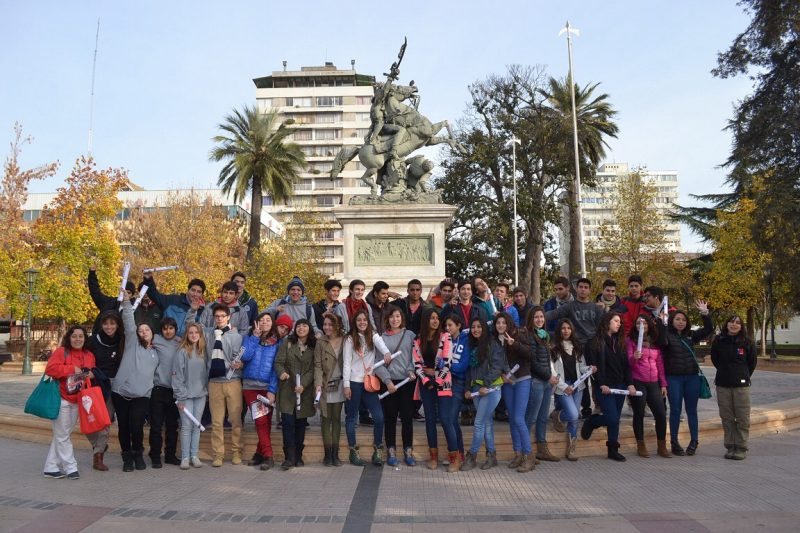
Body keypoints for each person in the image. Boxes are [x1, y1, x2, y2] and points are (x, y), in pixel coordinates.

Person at [187, 301, 243, 467]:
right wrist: (193, 310)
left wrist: (239, 365)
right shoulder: (208, 333)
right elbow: (190, 326)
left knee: (235, 420)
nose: (219, 319)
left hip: (232, 381)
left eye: (222, 316)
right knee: (217, 421)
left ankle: (236, 452)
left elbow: (239, 358)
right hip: (214, 383)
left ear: (228, 317)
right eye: (216, 316)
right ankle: (218, 454)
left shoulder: (236, 336)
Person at [657, 300, 714, 456]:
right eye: (677, 319)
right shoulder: (667, 335)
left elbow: (709, 329)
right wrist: (661, 323)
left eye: (683, 320)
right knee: (675, 410)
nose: (681, 322)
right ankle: (674, 442)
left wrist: (705, 313)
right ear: (672, 321)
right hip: (674, 378)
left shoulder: (691, 335)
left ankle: (694, 441)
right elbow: (661, 341)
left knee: (692, 411)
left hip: (691, 378)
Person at [581, 312, 637, 461]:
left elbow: (626, 366)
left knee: (615, 418)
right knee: (611, 418)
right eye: (616, 321)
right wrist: (601, 384)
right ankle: (592, 421)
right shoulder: (593, 343)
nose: (619, 324)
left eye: (620, 321)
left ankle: (612, 449)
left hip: (620, 385)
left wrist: (630, 384)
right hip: (604, 387)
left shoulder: (620, 342)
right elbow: (593, 367)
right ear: (607, 322)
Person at [42, 326, 97, 480]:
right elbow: (51, 369)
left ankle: (50, 467)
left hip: (79, 399)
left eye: (81, 336)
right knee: (62, 435)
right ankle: (70, 467)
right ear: (69, 337)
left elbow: (90, 372)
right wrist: (72, 369)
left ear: (85, 338)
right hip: (62, 398)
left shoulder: (89, 355)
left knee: (62, 434)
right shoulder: (61, 352)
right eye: (74, 336)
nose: (78, 339)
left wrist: (90, 374)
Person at [112, 297, 160, 472]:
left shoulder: (156, 352)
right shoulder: (133, 344)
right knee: (124, 426)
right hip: (121, 392)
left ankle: (138, 453)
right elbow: (129, 322)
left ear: (152, 332)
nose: (144, 332)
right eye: (141, 330)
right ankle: (126, 456)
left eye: (147, 329)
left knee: (136, 426)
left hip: (141, 395)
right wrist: (126, 303)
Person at [413, 307, 460, 471]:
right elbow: (417, 363)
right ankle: (433, 456)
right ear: (426, 320)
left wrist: (437, 379)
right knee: (430, 421)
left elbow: (447, 362)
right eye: (432, 318)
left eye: (437, 318)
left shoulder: (445, 337)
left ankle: (455, 457)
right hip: (426, 385)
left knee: (446, 420)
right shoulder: (418, 339)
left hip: (443, 384)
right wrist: (426, 380)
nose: (435, 321)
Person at [343, 308, 391, 466]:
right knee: (351, 418)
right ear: (355, 323)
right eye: (359, 320)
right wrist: (346, 385)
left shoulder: (374, 335)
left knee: (379, 417)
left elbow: (383, 347)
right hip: (354, 382)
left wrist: (386, 353)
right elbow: (346, 363)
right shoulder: (350, 339)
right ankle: (353, 450)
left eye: (364, 320)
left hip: (369, 382)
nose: (362, 322)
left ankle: (378, 449)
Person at [461, 317, 506, 471]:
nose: (476, 330)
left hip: (491, 390)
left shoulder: (493, 344)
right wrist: (467, 389)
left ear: (484, 328)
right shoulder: (471, 345)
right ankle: (492, 456)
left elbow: (497, 367)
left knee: (479, 423)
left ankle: (471, 456)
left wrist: (485, 384)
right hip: (476, 391)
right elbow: (468, 370)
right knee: (486, 423)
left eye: (479, 327)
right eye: (473, 327)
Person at [375, 306, 417, 467]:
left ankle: (408, 450)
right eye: (392, 317)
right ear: (387, 319)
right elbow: (378, 364)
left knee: (407, 418)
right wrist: (387, 381)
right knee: (390, 418)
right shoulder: (382, 339)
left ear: (402, 318)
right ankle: (391, 451)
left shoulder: (409, 335)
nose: (395, 320)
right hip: (389, 385)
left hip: (406, 383)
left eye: (398, 316)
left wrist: (411, 371)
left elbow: (414, 357)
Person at [711, 315, 756, 460]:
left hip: (741, 386)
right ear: (727, 324)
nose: (734, 325)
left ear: (741, 326)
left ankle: (741, 447)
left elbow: (751, 363)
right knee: (727, 417)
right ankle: (730, 446)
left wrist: (742, 375)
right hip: (723, 384)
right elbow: (715, 359)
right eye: (731, 321)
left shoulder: (747, 342)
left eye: (737, 323)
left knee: (742, 417)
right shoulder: (719, 340)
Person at [240, 311, 280, 470]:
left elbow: (276, 369)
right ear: (256, 323)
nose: (264, 322)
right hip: (251, 387)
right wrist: (255, 337)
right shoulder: (249, 338)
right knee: (261, 420)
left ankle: (259, 454)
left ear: (272, 323)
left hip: (267, 388)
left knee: (266, 422)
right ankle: (269, 456)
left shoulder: (278, 343)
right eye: (261, 320)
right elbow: (245, 357)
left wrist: (272, 390)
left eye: (268, 320)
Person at [496, 311, 536, 473]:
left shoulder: (519, 334)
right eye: (498, 323)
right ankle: (517, 453)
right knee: (512, 418)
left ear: (508, 323)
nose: (500, 325)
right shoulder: (494, 340)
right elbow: (494, 362)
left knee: (519, 418)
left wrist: (514, 344)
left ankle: (529, 456)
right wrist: (501, 376)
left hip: (522, 379)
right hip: (507, 382)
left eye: (503, 323)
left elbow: (530, 355)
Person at [274, 318, 316, 469]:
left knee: (300, 425)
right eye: (299, 326)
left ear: (309, 328)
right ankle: (289, 458)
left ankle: (298, 456)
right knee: (287, 423)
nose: (301, 328)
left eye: (304, 326)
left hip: (304, 392)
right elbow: (278, 362)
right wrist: (282, 373)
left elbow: (313, 369)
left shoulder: (313, 346)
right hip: (287, 390)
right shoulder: (288, 343)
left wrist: (303, 384)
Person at [85, 310, 124, 472]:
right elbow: (84, 358)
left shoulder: (123, 340)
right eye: (106, 323)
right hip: (97, 384)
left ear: (117, 325)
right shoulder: (93, 340)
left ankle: (98, 456)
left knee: (105, 421)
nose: (109, 327)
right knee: (90, 420)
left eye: (112, 323)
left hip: (118, 384)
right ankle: (98, 444)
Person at [626, 314, 669, 458]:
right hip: (638, 380)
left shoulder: (655, 342)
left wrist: (663, 384)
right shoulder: (630, 342)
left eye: (644, 324)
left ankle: (661, 445)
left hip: (654, 381)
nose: (641, 326)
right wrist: (634, 358)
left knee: (661, 414)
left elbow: (660, 364)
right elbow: (628, 364)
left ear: (649, 325)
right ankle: (641, 444)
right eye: (638, 324)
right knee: (639, 413)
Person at [552, 318, 595, 461]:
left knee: (574, 419)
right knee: (573, 415)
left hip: (578, 386)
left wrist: (589, 369)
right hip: (563, 387)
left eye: (568, 328)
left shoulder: (577, 347)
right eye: (563, 328)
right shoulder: (554, 348)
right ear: (559, 330)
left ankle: (571, 449)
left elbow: (581, 367)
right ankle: (557, 415)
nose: (566, 331)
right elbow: (552, 371)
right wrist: (564, 387)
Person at [525, 306, 561, 462]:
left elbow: (546, 361)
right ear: (531, 320)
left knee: (542, 418)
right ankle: (525, 451)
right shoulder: (530, 336)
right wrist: (548, 376)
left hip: (546, 382)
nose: (539, 320)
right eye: (536, 317)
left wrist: (551, 377)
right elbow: (532, 362)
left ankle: (542, 448)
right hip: (537, 382)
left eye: (541, 317)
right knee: (531, 418)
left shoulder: (544, 335)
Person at [172, 322, 209, 470]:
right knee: (186, 426)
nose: (193, 335)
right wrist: (180, 397)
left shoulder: (203, 350)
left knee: (196, 425)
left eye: (196, 332)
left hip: (200, 395)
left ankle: (194, 455)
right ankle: (185, 457)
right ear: (187, 334)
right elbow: (177, 376)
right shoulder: (181, 352)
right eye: (190, 332)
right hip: (185, 396)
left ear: (200, 334)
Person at [148, 317, 182, 468]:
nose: (168, 331)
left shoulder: (180, 342)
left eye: (171, 328)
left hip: (174, 390)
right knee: (156, 425)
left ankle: (170, 455)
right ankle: (155, 455)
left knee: (172, 425)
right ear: (161, 330)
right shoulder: (155, 340)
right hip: (158, 389)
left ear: (175, 329)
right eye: (165, 328)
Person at [315, 312, 346, 466]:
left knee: (336, 418)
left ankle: (336, 453)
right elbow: (318, 365)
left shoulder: (345, 340)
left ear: (337, 325)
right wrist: (318, 384)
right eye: (325, 324)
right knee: (326, 418)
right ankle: (328, 454)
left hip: (340, 384)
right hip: (326, 384)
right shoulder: (321, 342)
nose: (326, 327)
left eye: (330, 324)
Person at [443, 314, 469, 461]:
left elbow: (463, 365)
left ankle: (457, 453)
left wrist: (447, 367)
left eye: (450, 325)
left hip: (458, 383)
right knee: (448, 419)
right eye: (446, 326)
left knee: (451, 419)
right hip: (445, 382)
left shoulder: (465, 340)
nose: (447, 328)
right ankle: (456, 451)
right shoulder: (444, 339)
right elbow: (439, 361)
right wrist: (447, 367)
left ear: (458, 326)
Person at [87, 266, 135, 335]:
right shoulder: (108, 302)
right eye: (123, 291)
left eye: (129, 292)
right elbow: (95, 292)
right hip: (100, 340)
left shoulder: (133, 309)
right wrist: (92, 274)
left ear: (132, 295)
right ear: (119, 291)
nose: (125, 294)